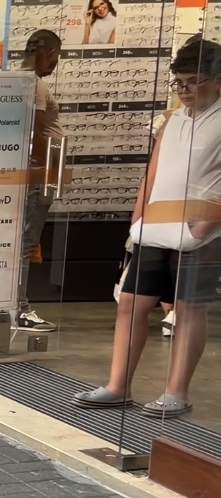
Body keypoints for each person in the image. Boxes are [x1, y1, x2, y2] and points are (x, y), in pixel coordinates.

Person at [73, 40, 221, 419]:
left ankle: (177, 392)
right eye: (179, 82)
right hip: (156, 227)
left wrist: (204, 226)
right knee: (131, 303)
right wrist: (138, 219)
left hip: (201, 232)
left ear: (217, 81)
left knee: (188, 309)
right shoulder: (172, 119)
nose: (184, 90)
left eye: (193, 81)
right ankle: (118, 385)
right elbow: (152, 173)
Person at [15, 30, 64, 333]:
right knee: (25, 242)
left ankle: (15, 306)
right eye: (57, 55)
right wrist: (41, 168)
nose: (56, 62)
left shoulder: (26, 81)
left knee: (25, 242)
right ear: (47, 52)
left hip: (40, 173)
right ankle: (19, 309)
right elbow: (33, 131)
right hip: (38, 175)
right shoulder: (33, 84)